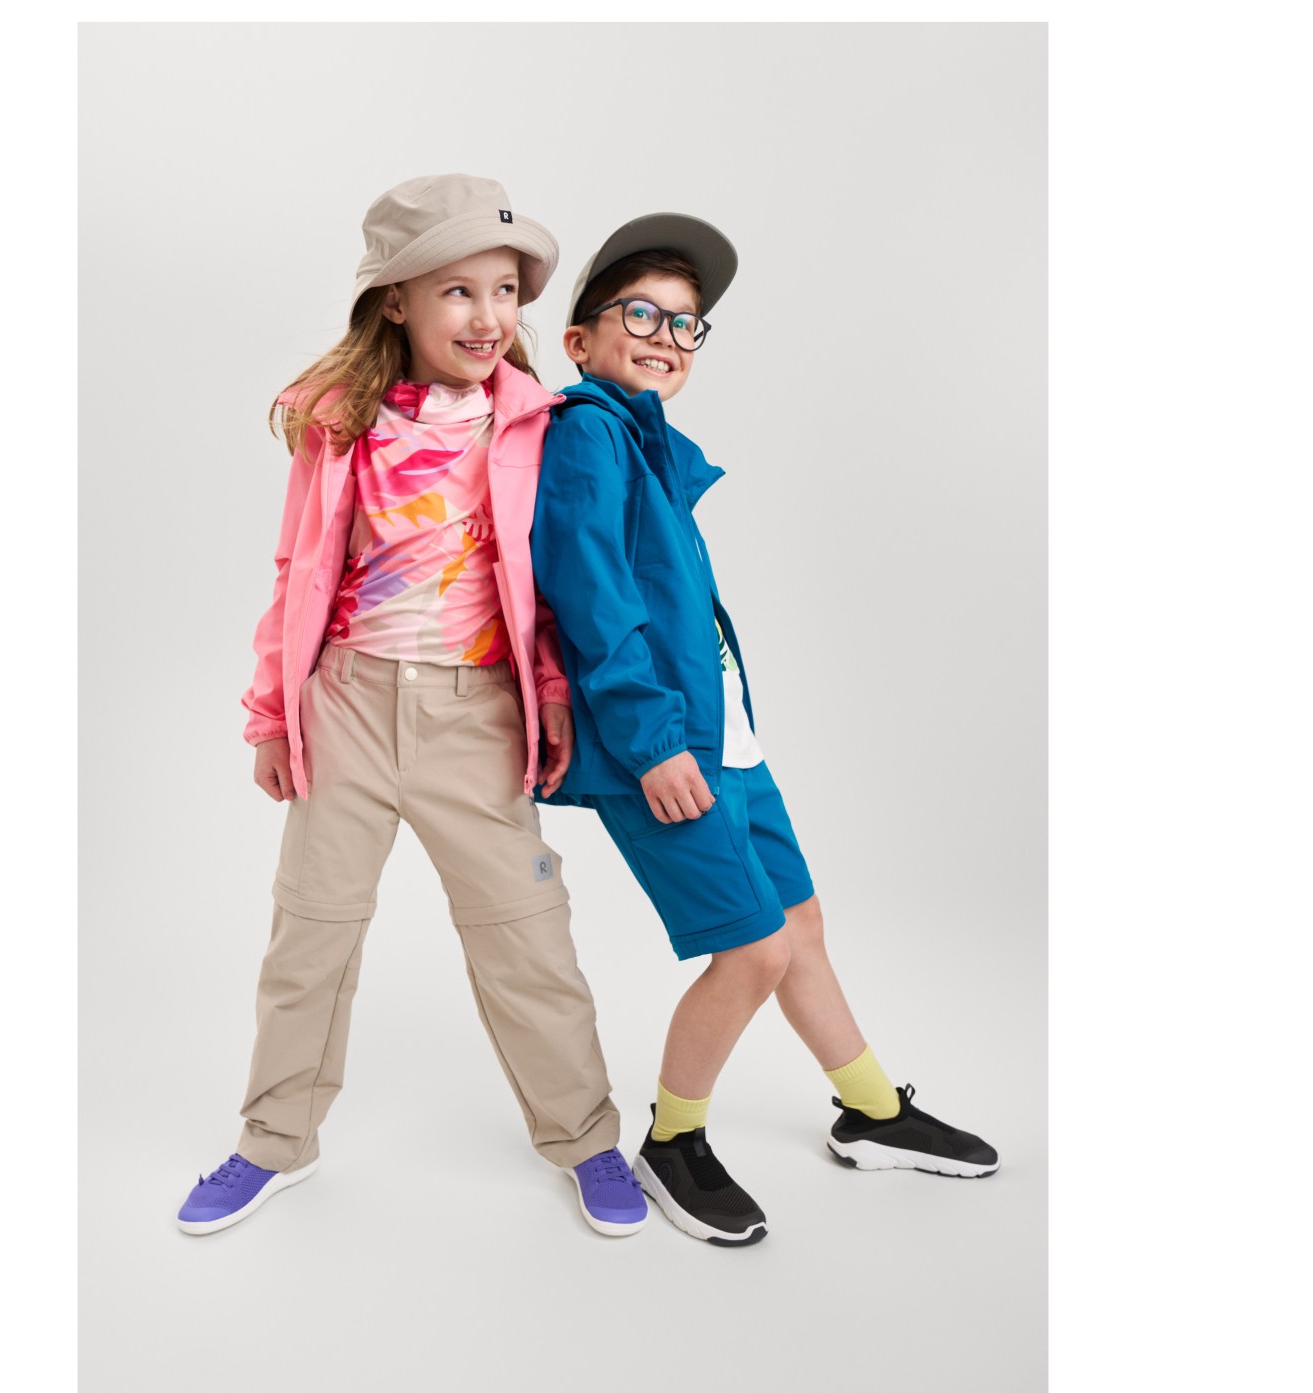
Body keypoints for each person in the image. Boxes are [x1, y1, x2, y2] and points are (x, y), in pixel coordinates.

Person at [176, 176, 646, 1238]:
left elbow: (554, 578)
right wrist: (270, 715)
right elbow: (298, 567)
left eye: (505, 291)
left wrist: (553, 694)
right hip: (346, 703)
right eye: (458, 292)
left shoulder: (534, 423)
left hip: (476, 715)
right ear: (396, 300)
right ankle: (274, 1141)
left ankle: (585, 1139)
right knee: (311, 936)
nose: (488, 317)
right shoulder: (340, 422)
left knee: (527, 935)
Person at [530, 214, 999, 1248]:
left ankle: (871, 1111)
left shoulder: (646, 443)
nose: (666, 336)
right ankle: (673, 1140)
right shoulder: (586, 433)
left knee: (801, 925)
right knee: (752, 950)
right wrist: (653, 744)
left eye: (686, 324)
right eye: (640, 314)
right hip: (664, 750)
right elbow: (592, 599)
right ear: (579, 339)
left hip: (727, 742)